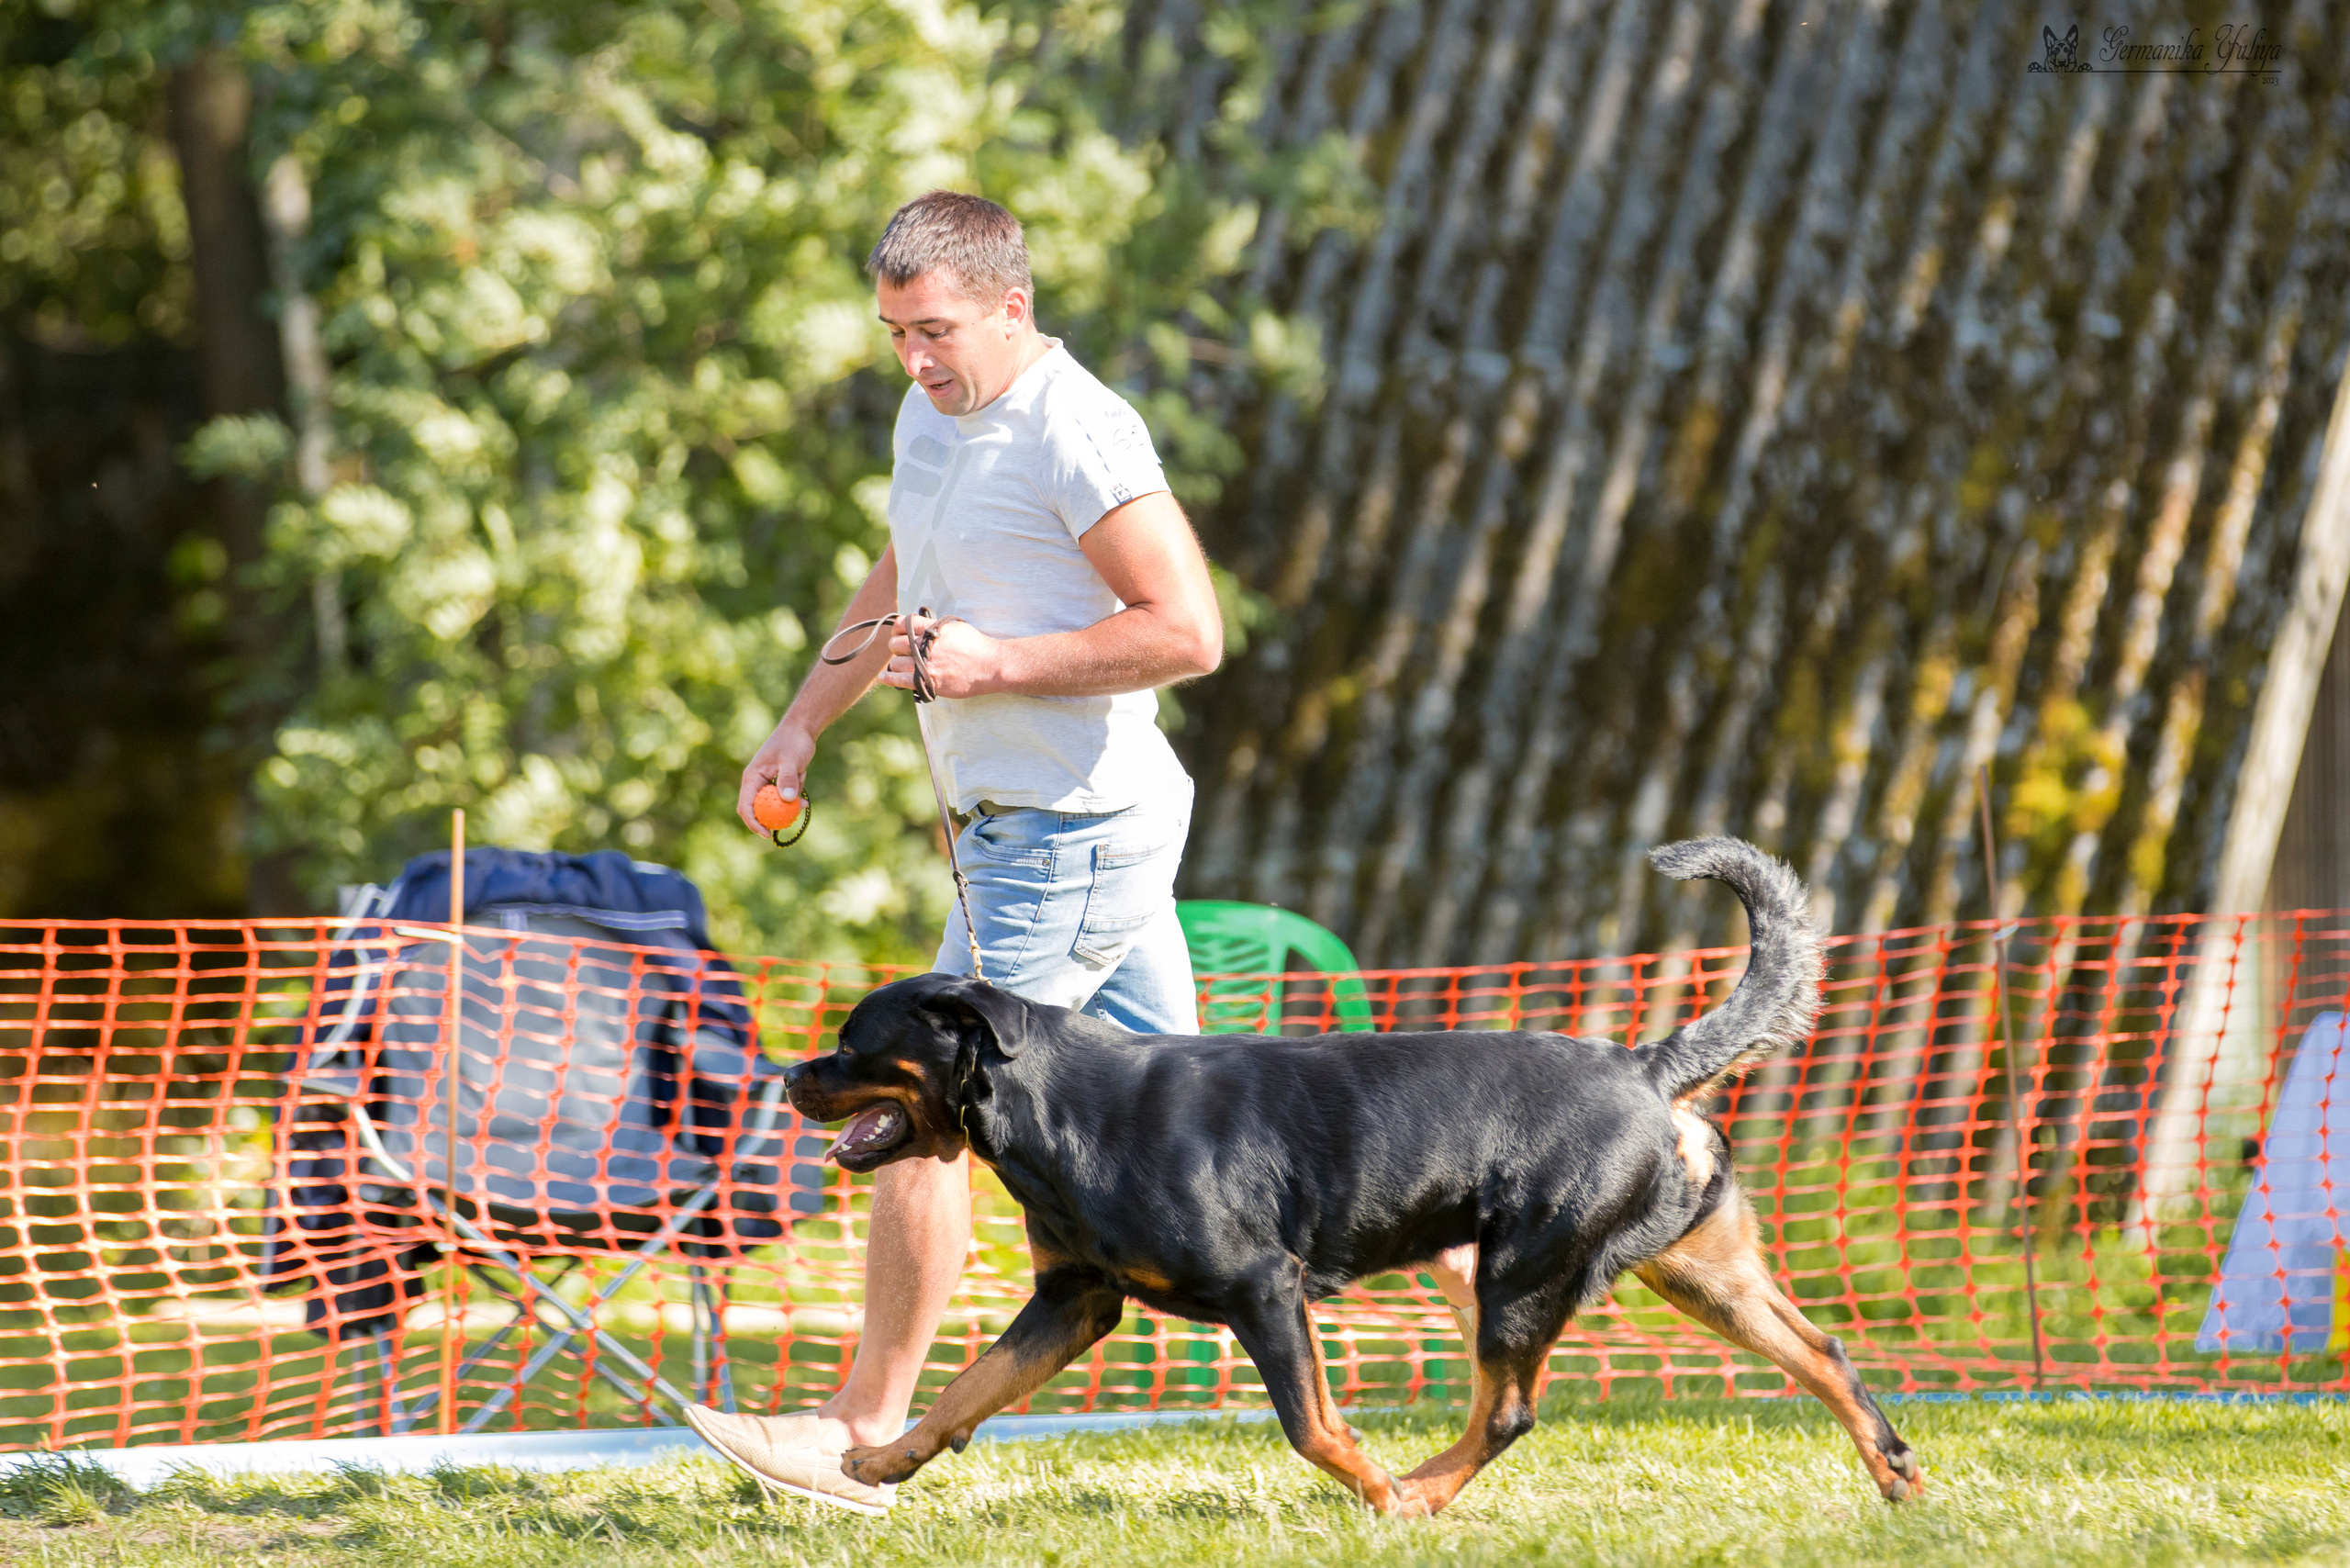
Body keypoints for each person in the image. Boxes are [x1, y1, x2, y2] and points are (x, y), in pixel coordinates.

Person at [683, 190, 1225, 1513]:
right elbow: (905, 569)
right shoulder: (929, 413)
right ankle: (1459, 1243)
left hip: (1070, 834)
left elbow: (1188, 630)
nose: (914, 359)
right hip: (1028, 835)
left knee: (923, 1102)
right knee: (1204, 1122)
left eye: (935, 331)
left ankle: (861, 1434)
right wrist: (803, 720)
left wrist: (998, 665)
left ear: (1010, 307)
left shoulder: (1080, 431)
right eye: (894, 334)